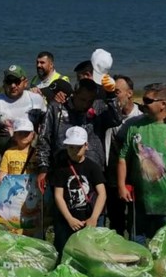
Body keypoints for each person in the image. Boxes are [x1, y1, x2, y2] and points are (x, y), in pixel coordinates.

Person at [116, 84, 166, 242]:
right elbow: (123, 158)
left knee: (163, 247)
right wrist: (121, 185)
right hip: (139, 201)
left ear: (163, 104)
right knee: (136, 244)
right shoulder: (135, 126)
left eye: (148, 100)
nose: (143, 103)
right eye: (143, 99)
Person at [36, 78, 123, 192]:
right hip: (63, 168)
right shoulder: (56, 108)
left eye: (90, 100)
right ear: (74, 94)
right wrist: (43, 168)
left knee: (95, 206)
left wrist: (111, 96)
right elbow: (44, 138)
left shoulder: (98, 107)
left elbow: (117, 119)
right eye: (82, 99)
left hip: (93, 170)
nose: (86, 104)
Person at [51, 126, 107, 257]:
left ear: (86, 145)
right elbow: (58, 196)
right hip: (67, 221)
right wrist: (69, 218)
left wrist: (94, 218)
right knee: (64, 252)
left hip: (89, 219)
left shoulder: (93, 167)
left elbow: (102, 193)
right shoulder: (61, 168)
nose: (74, 151)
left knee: (91, 253)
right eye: (71, 147)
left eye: (78, 147)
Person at [103, 75, 144, 234]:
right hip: (112, 174)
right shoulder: (106, 114)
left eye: (117, 92)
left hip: (136, 174)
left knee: (136, 220)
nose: (114, 96)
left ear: (130, 93)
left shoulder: (141, 115)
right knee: (115, 220)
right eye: (112, 93)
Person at [0, 65, 46, 151]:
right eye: (9, 81)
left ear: (25, 82)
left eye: (17, 81)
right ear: (4, 83)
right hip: (3, 154)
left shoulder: (36, 99)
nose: (13, 85)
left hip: (31, 154)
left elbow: (45, 126)